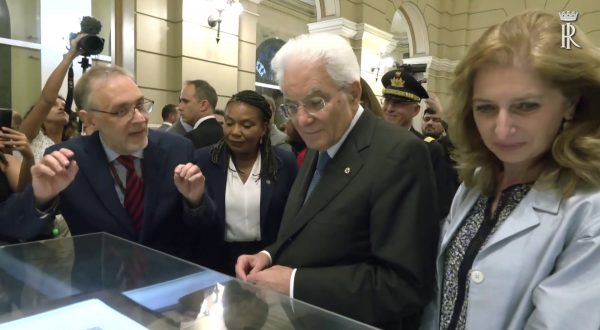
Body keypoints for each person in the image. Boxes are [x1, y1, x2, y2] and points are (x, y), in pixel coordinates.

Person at [235, 33, 439, 329]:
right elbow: (309, 227)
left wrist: (294, 282)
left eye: (316, 102)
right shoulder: (323, 139)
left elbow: (403, 285)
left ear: (354, 93)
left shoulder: (400, 154)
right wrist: (268, 255)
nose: (302, 119)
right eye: (291, 106)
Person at [421, 10, 600, 330]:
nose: (501, 131)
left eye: (526, 106)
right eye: (486, 108)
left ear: (571, 103)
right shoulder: (477, 183)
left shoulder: (590, 208)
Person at [29, 65, 207, 261]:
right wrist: (41, 200)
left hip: (169, 282)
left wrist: (196, 201)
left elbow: (207, 227)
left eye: (140, 105)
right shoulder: (67, 160)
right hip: (100, 283)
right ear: (89, 119)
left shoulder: (178, 150)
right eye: (121, 111)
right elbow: (19, 230)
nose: (140, 119)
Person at [191, 90, 297, 275]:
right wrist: (194, 201)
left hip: (267, 260)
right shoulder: (204, 161)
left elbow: (291, 220)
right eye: (229, 123)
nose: (235, 132)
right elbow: (195, 222)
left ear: (264, 128)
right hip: (215, 262)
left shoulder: (283, 163)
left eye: (246, 125)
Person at [381, 69, 458, 218]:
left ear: (415, 110)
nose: (389, 108)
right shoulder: (371, 142)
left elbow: (440, 204)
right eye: (387, 101)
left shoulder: (428, 149)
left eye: (399, 103)